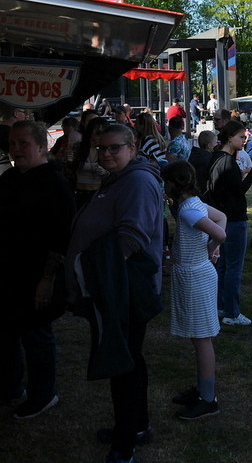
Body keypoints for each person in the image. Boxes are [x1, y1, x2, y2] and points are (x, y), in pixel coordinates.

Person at [66, 124, 164, 463]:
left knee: (123, 363)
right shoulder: (121, 178)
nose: (106, 154)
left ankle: (125, 445)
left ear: (132, 148)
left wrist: (101, 277)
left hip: (124, 290)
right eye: (101, 148)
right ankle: (137, 426)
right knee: (130, 359)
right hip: (118, 288)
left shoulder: (137, 181)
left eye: (114, 148)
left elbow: (132, 237)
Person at [0, 121, 75, 418]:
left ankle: (43, 394)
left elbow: (61, 236)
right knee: (7, 331)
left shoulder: (54, 183)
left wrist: (47, 279)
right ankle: (10, 387)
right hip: (10, 272)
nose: (16, 149)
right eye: (12, 143)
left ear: (42, 147)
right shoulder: (11, 178)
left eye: (23, 143)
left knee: (36, 334)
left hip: (38, 274)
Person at [161, 161, 227, 420]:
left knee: (201, 338)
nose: (164, 186)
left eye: (166, 182)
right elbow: (221, 217)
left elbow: (220, 232)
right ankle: (202, 389)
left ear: (174, 183)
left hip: (195, 276)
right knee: (198, 336)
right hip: (195, 273)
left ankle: (208, 399)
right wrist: (212, 250)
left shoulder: (189, 210)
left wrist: (211, 249)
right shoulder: (193, 203)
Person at [205, 121, 252, 325]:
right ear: (230, 137)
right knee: (233, 267)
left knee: (223, 265)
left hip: (220, 218)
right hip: (232, 219)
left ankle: (221, 305)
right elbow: (239, 190)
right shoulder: (227, 161)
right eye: (241, 137)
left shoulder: (218, 157)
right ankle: (232, 313)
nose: (245, 140)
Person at [71, 116, 109, 207]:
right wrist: (93, 168)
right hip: (80, 192)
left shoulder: (105, 150)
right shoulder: (79, 147)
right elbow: (71, 165)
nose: (101, 137)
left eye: (104, 134)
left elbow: (111, 171)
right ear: (90, 132)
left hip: (98, 193)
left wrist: (104, 172)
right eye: (98, 133)